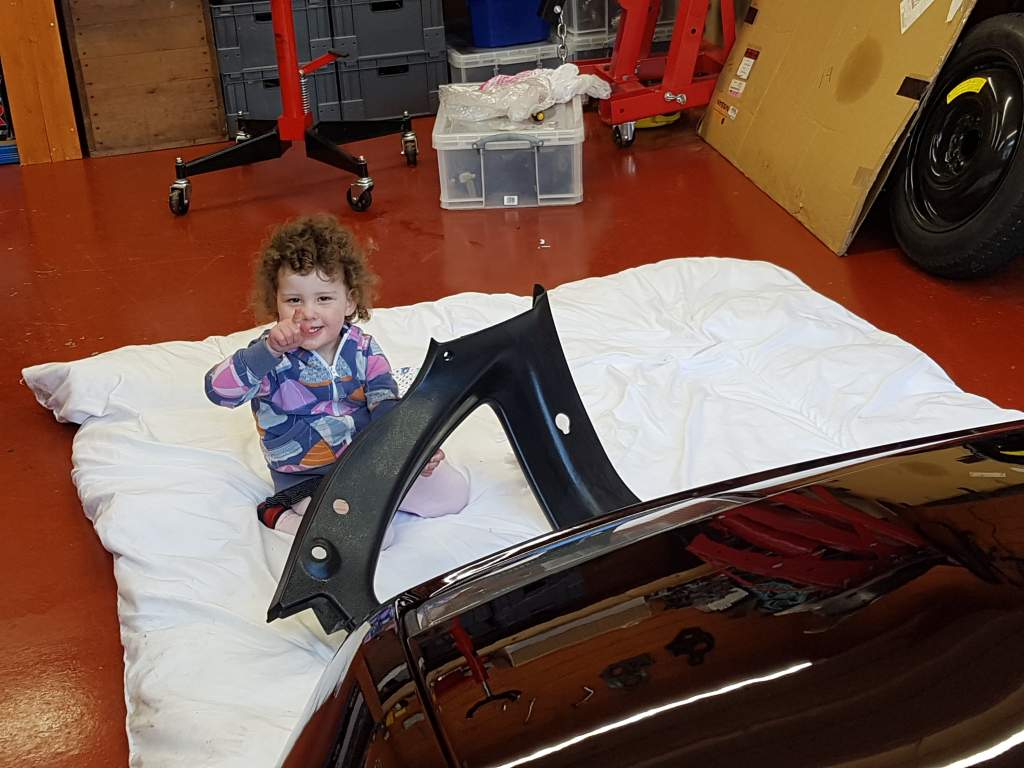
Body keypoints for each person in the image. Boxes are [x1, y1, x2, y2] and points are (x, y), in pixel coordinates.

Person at [205, 214, 468, 544]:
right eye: (294, 300)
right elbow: (218, 391)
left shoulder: (364, 349)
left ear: (349, 302)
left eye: (324, 298)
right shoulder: (270, 357)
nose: (308, 312)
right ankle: (279, 515)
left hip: (366, 462)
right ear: (276, 303)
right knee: (373, 538)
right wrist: (268, 351)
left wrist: (414, 449)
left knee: (452, 494)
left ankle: (373, 501)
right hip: (309, 479)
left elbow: (387, 406)